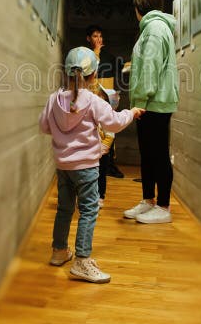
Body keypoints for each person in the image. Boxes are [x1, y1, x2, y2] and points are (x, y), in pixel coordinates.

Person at [39, 46, 144, 283]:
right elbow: (115, 123)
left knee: (65, 209)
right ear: (94, 75)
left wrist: (62, 136)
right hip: (86, 167)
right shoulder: (93, 101)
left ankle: (59, 251)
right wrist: (131, 112)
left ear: (65, 72)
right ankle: (82, 261)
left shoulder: (53, 99)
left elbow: (44, 126)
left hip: (63, 167)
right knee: (88, 211)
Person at [124, 0, 179, 224]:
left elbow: (150, 68)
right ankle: (148, 201)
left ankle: (164, 207)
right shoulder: (154, 27)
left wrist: (140, 102)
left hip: (153, 102)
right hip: (152, 101)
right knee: (147, 153)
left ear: (139, 9)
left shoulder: (154, 29)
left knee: (157, 155)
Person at [85, 24, 126, 179]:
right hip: (90, 99)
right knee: (93, 131)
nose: (99, 39)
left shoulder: (109, 56)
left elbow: (122, 68)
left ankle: (109, 165)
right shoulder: (85, 55)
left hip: (106, 98)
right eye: (95, 36)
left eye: (100, 36)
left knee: (109, 132)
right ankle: (92, 165)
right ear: (88, 38)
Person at [95, 84, 120, 208]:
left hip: (102, 153)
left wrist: (101, 151)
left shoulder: (108, 118)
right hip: (93, 151)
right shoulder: (97, 114)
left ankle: (100, 196)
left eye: (101, 97)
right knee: (92, 175)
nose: (98, 97)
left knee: (100, 175)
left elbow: (110, 136)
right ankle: (90, 196)